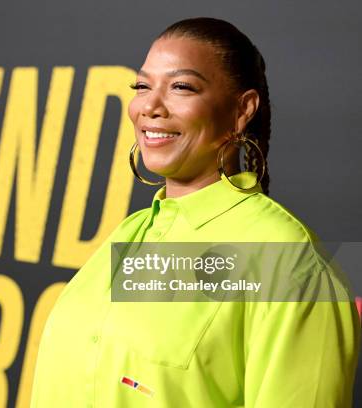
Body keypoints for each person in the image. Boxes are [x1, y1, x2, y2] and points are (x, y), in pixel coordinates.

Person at [29, 17, 360, 407]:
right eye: (142, 86)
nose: (149, 106)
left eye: (181, 87)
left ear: (242, 110)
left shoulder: (290, 262)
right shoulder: (129, 234)